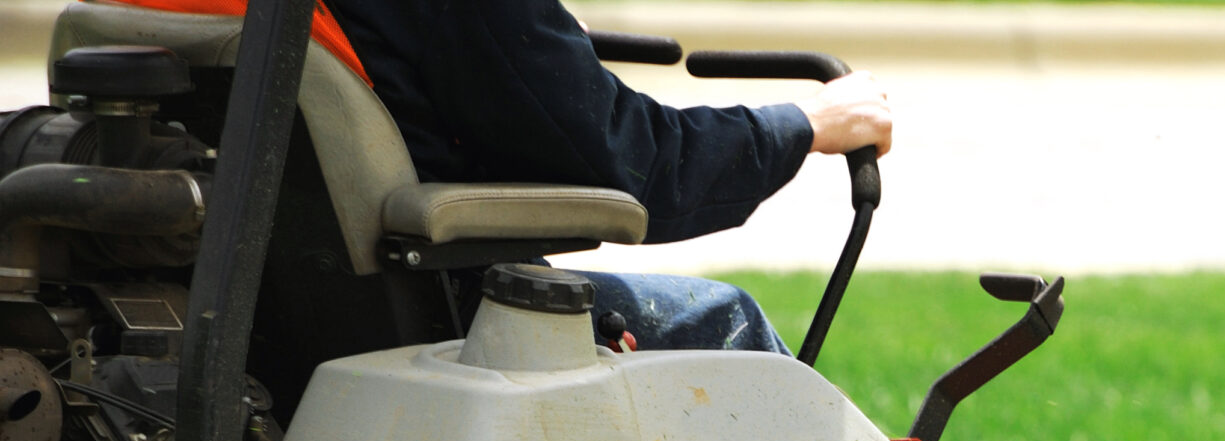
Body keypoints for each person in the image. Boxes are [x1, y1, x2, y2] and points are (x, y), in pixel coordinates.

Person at [323, 0, 893, 352]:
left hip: (316, 328)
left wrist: (539, 39)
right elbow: (633, 161)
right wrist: (805, 125)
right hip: (450, 326)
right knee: (728, 324)